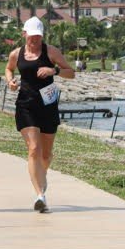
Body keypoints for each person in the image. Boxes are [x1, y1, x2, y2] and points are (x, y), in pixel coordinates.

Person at [5, 16, 74, 213]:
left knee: (46, 154)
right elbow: (9, 69)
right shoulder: (16, 53)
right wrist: (10, 81)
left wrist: (54, 70)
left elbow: (71, 73)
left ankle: (41, 177)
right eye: (31, 36)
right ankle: (40, 196)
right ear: (24, 34)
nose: (34, 40)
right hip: (25, 105)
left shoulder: (51, 51)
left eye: (38, 36)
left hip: (47, 105)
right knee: (34, 148)